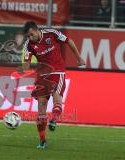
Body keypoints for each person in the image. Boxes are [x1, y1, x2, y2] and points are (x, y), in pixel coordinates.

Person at [19, 21, 85, 149]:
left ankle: (53, 120)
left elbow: (69, 41)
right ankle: (42, 140)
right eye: (28, 36)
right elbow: (26, 64)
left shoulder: (51, 33)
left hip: (58, 72)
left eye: (31, 35)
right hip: (43, 76)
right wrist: (22, 68)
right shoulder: (29, 45)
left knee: (57, 100)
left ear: (36, 30)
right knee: (41, 106)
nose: (30, 38)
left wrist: (78, 58)